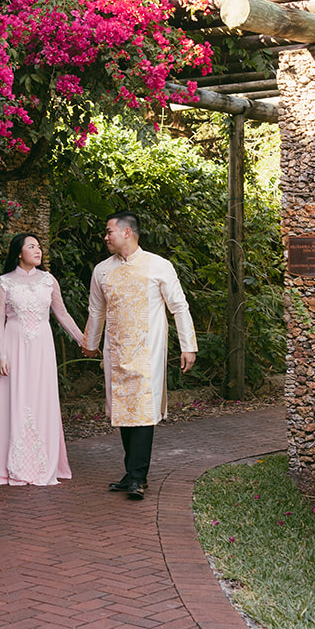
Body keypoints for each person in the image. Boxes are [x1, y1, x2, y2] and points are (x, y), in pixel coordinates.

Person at [84, 210, 197, 500]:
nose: (105, 237)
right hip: (116, 350)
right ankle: (131, 472)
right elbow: (96, 310)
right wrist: (91, 342)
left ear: (127, 232)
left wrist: (188, 346)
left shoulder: (159, 266)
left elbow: (179, 307)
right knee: (123, 411)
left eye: (109, 231)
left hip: (148, 351)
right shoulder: (102, 270)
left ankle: (138, 477)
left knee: (143, 411)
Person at [0, 232, 85, 486]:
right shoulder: (4, 283)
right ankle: (12, 464)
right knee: (14, 399)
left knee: (42, 399)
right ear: (19, 252)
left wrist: (85, 341)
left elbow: (62, 315)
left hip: (42, 347)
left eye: (39, 247)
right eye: (32, 246)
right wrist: (1, 354)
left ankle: (43, 462)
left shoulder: (48, 281)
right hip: (14, 346)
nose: (38, 250)